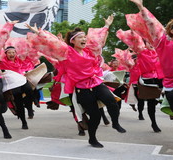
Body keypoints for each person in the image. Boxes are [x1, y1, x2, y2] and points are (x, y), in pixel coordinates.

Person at [26, 14, 126, 148]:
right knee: (95, 116)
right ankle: (92, 139)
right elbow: (54, 43)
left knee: (112, 102)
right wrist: (40, 33)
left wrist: (107, 26)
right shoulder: (67, 52)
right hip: (81, 88)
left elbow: (99, 39)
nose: (84, 39)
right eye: (80, 37)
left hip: (95, 82)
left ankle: (115, 123)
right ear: (73, 41)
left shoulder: (90, 52)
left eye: (85, 37)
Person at [128, 0, 173, 156]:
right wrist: (141, 7)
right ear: (172, 31)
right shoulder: (161, 43)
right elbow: (152, 25)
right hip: (169, 84)